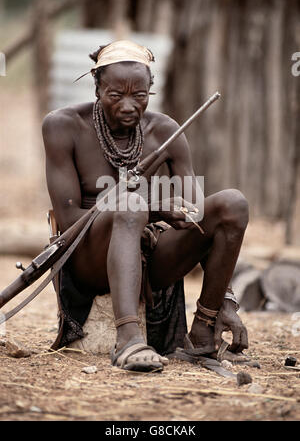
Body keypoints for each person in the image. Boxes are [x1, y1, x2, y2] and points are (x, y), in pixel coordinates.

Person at [42, 40, 249, 372]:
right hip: (86, 257)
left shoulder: (165, 131)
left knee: (232, 204)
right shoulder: (63, 125)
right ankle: (128, 339)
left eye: (138, 96)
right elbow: (68, 221)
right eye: (115, 95)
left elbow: (195, 217)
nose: (128, 106)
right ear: (97, 88)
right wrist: (150, 208)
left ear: (150, 90)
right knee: (131, 206)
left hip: (150, 254)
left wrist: (225, 297)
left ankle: (203, 330)